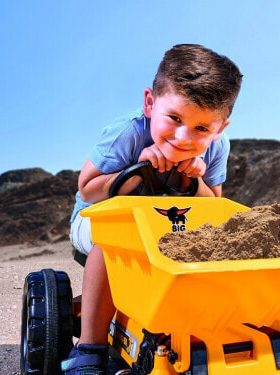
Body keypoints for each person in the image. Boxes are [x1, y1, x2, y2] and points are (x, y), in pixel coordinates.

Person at [62, 44, 243, 374]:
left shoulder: (217, 147)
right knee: (117, 241)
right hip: (98, 221)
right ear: (149, 103)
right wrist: (138, 172)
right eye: (174, 118)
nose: (183, 137)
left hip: (161, 230)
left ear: (220, 129)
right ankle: (89, 348)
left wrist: (193, 184)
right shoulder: (129, 132)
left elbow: (213, 206)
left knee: (209, 245)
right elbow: (87, 189)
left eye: (202, 128)